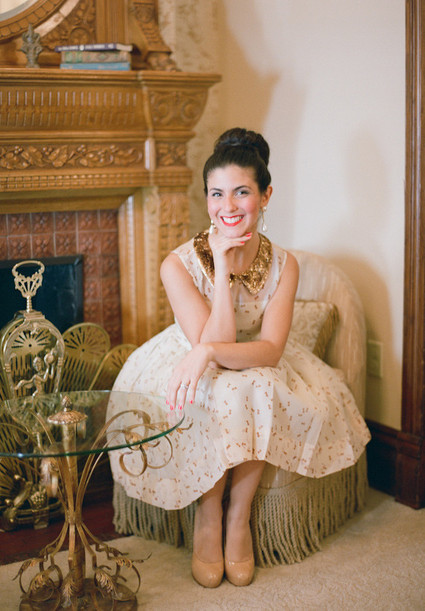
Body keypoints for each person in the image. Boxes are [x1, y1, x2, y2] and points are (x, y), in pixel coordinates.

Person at [108, 127, 370, 588]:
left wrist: (210, 350)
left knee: (259, 386)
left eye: (241, 192)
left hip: (248, 358)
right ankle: (209, 514)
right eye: (216, 194)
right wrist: (223, 270)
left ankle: (238, 517)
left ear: (265, 196)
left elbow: (270, 350)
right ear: (206, 199)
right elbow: (210, 346)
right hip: (192, 353)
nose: (227, 206)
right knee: (215, 388)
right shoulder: (177, 265)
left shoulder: (285, 265)